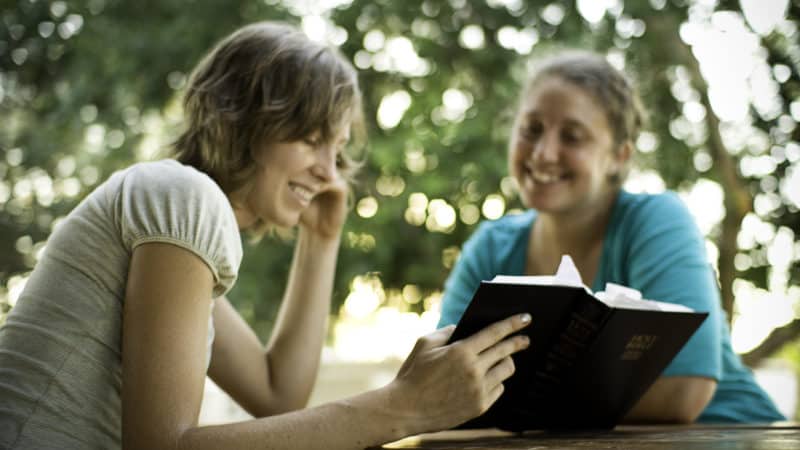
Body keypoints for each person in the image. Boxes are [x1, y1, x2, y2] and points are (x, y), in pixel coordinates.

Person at [0, 22, 533, 450]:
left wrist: (321, 241)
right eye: (311, 138)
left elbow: (278, 396)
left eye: (339, 148)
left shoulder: (174, 220)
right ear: (240, 122)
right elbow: (161, 445)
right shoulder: (184, 195)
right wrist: (403, 406)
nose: (331, 171)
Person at [437, 51, 786, 424]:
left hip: (729, 435)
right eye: (531, 129)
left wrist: (512, 404)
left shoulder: (656, 221)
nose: (543, 153)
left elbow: (683, 393)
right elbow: (446, 386)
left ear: (619, 156)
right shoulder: (490, 247)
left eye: (572, 137)